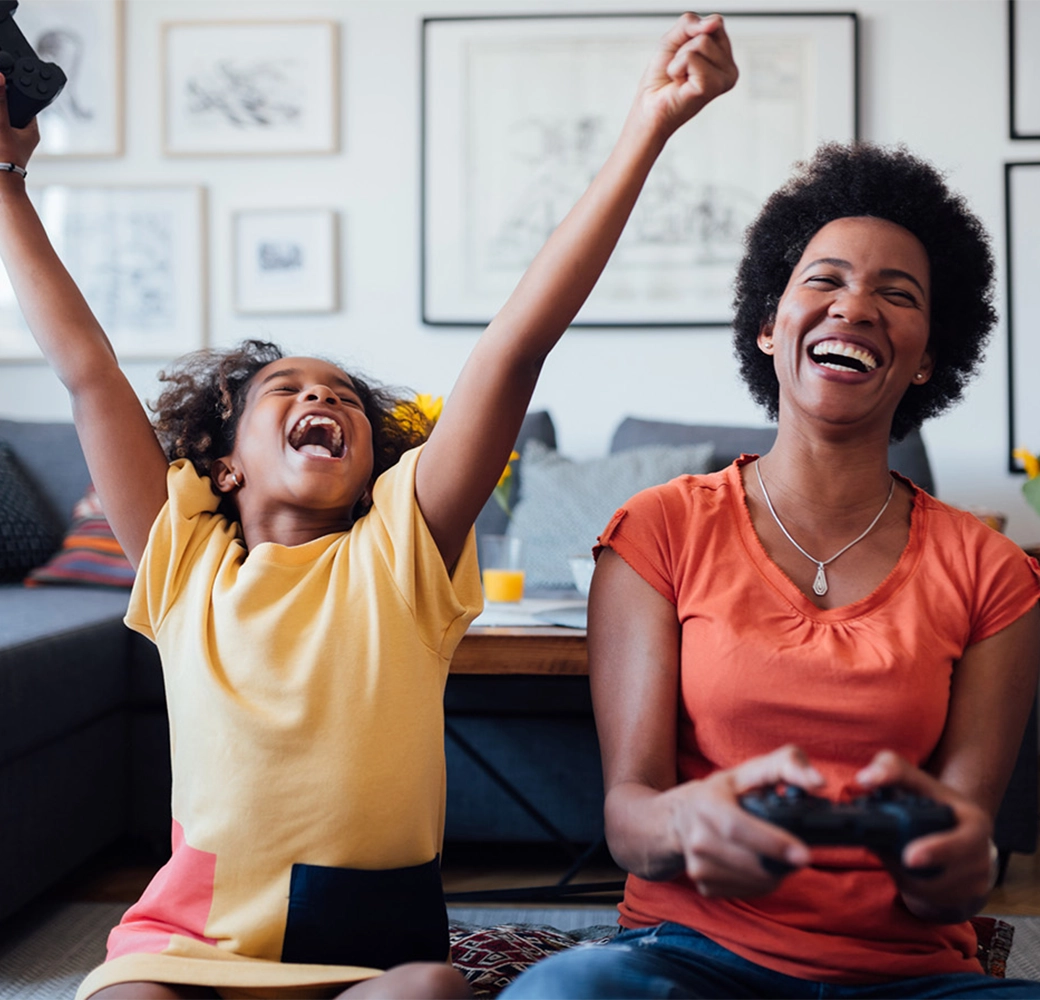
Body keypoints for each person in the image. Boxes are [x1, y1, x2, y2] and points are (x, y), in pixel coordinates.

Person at [0, 13, 738, 1000]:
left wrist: (647, 127)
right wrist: (5, 181)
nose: (323, 400)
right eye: (289, 392)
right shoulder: (186, 563)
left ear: (373, 464)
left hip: (371, 951)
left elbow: (514, 347)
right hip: (191, 940)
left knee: (431, 993)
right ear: (221, 467)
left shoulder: (400, 550)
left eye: (344, 397)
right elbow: (89, 375)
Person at [499, 148, 1040, 996]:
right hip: (687, 958)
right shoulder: (659, 529)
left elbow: (968, 870)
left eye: (898, 295)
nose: (855, 305)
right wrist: (686, 822)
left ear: (930, 356)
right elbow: (629, 817)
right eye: (825, 279)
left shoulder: (994, 572)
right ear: (768, 323)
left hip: (910, 977)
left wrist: (946, 851)